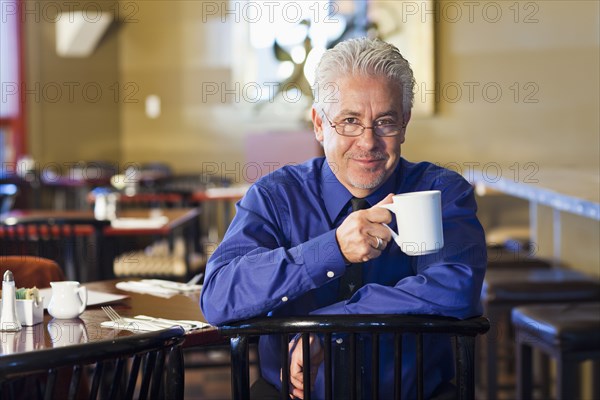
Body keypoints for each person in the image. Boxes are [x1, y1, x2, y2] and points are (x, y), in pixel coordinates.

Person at [201, 37, 486, 399]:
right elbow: (219, 297)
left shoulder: (441, 192)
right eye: (350, 121)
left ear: (405, 123)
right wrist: (331, 250)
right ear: (319, 124)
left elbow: (455, 289)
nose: (368, 142)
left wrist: (322, 326)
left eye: (385, 122)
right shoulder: (276, 196)